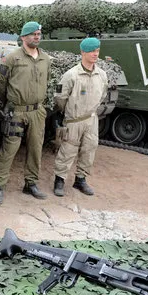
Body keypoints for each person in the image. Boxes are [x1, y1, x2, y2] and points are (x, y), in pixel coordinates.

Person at [0, 21, 51, 205]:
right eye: (33, 34)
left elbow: (46, 80)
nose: (36, 37)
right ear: (23, 37)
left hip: (37, 111)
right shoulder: (12, 58)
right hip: (16, 111)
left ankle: (31, 183)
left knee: (35, 148)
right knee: (9, 149)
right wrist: (10, 102)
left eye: (39, 34)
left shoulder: (45, 58)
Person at [53, 37, 107, 197]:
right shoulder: (71, 75)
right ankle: (59, 180)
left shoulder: (101, 75)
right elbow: (60, 97)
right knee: (67, 150)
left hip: (91, 119)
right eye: (91, 51)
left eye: (97, 50)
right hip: (73, 120)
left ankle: (81, 179)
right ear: (83, 52)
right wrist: (70, 113)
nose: (95, 54)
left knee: (89, 150)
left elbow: (103, 94)